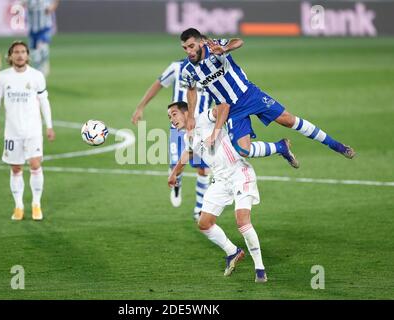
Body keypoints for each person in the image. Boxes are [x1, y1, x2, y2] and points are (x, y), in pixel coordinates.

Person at [179, 28, 355, 161]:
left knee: (288, 120)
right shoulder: (187, 69)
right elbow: (191, 89)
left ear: (201, 42)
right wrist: (192, 115)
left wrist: (225, 49)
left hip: (249, 95)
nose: (189, 51)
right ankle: (280, 147)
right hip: (230, 110)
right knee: (243, 151)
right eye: (185, 48)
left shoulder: (214, 46)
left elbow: (238, 41)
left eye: (191, 46)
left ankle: (336, 145)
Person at [168, 102, 267, 283]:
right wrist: (174, 173)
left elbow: (224, 107)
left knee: (242, 221)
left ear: (186, 113)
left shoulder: (204, 119)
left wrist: (215, 133)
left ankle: (260, 269)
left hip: (239, 173)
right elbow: (188, 153)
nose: (171, 120)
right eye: (169, 117)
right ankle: (233, 252)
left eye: (174, 114)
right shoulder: (187, 137)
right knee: (204, 223)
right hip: (220, 181)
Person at [131, 59, 213, 220]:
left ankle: (199, 208)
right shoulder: (177, 67)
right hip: (179, 125)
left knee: (203, 169)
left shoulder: (212, 70)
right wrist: (141, 106)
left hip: (202, 127)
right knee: (176, 163)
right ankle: (177, 183)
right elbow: (158, 84)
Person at [0, 41, 55, 221]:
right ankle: (18, 206)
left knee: (35, 164)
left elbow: (44, 101)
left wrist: (49, 125)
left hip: (33, 129)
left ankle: (36, 204)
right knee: (16, 168)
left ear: (28, 55)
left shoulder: (36, 76)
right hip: (12, 131)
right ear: (10, 56)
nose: (20, 55)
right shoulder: (3, 77)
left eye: (23, 52)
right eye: (16, 52)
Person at [19, 0, 59, 76]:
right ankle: (38, 72)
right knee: (34, 53)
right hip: (33, 29)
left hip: (44, 27)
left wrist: (52, 7)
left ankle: (42, 68)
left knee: (41, 47)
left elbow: (56, 1)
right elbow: (20, 4)